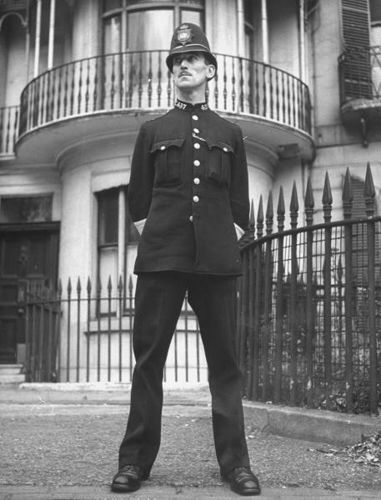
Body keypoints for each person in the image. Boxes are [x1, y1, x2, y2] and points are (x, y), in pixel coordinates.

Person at [111, 23, 261, 497]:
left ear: (210, 70)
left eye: (193, 59)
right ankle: (135, 463)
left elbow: (240, 206)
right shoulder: (152, 131)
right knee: (148, 362)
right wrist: (159, 235)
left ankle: (236, 466)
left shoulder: (230, 133)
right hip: (162, 259)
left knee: (225, 365)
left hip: (216, 262)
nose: (183, 66)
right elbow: (138, 201)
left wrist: (223, 237)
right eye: (177, 61)